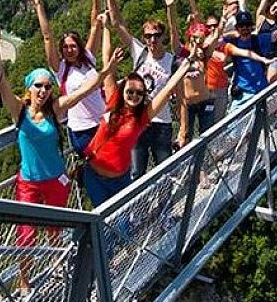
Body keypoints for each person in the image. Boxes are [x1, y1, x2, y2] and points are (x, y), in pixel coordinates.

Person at [0, 19, 123, 289]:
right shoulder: (19, 111)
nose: (44, 91)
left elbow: (85, 90)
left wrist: (107, 72)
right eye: (39, 86)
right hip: (29, 182)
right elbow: (0, 81)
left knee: (55, 229)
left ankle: (57, 267)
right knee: (26, 235)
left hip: (56, 179)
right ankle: (24, 282)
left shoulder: (56, 110)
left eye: (47, 86)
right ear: (29, 88)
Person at [82, 23, 196, 207]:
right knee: (101, 222)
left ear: (144, 96)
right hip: (94, 175)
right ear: (123, 91)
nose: (134, 96)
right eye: (130, 92)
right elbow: (106, 65)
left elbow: (167, 90)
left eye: (139, 93)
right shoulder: (112, 103)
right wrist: (105, 29)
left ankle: (159, 211)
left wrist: (183, 67)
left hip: (119, 178)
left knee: (119, 222)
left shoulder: (142, 118)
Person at [104, 0, 182, 179]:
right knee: (136, 172)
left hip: (162, 123)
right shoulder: (139, 52)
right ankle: (143, 211)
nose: (152, 40)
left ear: (162, 36)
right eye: (148, 36)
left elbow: (181, 98)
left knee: (165, 171)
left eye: (156, 35)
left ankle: (164, 208)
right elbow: (118, 24)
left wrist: (183, 129)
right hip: (136, 122)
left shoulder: (171, 60)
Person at [28, 0, 105, 156]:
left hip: (102, 122)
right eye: (65, 47)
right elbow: (47, 37)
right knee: (96, 165)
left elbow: (95, 25)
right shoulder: (60, 69)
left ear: (79, 46)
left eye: (73, 46)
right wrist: (38, 5)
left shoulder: (88, 59)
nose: (70, 50)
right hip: (82, 129)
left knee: (107, 167)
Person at [224, 10, 277, 111]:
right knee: (235, 123)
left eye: (247, 25)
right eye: (241, 26)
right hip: (242, 91)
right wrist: (229, 30)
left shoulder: (258, 39)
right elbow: (216, 39)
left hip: (260, 89)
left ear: (252, 27)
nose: (244, 28)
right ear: (237, 28)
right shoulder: (233, 42)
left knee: (261, 122)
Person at [176, 21, 215, 148]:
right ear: (189, 36)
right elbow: (173, 35)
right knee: (185, 137)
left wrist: (224, 20)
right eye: (195, 37)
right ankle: (190, 166)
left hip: (205, 101)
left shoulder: (204, 54)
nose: (198, 40)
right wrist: (170, 9)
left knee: (208, 136)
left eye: (201, 38)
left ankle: (205, 165)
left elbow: (215, 38)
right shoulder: (182, 54)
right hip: (188, 104)